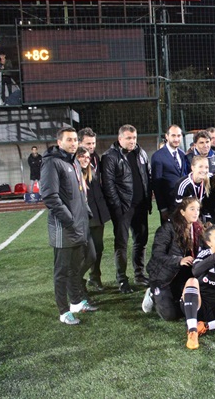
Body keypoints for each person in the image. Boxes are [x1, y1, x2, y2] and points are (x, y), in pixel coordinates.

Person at [40, 127, 97, 325]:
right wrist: (69, 220)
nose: (73, 143)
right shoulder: (52, 163)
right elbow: (50, 196)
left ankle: (76, 302)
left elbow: (80, 193)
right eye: (69, 140)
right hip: (64, 228)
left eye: (75, 140)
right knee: (62, 271)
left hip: (79, 225)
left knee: (75, 268)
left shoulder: (72, 162)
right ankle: (63, 312)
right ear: (59, 142)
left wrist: (86, 213)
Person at [101, 124, 152, 293]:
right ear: (120, 138)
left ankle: (139, 274)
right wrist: (118, 206)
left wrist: (147, 201)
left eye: (134, 137)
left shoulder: (141, 153)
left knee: (141, 241)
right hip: (123, 208)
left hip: (141, 206)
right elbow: (108, 184)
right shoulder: (110, 156)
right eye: (128, 138)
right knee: (121, 243)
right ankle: (122, 279)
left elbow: (147, 177)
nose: (132, 141)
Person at [142, 197, 204, 320]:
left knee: (197, 309)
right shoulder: (167, 228)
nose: (196, 212)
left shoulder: (198, 228)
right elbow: (157, 254)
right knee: (170, 315)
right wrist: (179, 260)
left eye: (197, 209)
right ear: (182, 212)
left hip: (185, 275)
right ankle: (153, 293)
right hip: (164, 277)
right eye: (192, 209)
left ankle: (176, 297)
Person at [77, 128, 110, 291]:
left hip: (97, 212)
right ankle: (77, 281)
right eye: (88, 143)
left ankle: (94, 277)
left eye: (93, 143)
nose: (91, 146)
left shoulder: (95, 158)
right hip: (83, 214)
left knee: (98, 248)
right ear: (79, 143)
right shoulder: (74, 162)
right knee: (86, 252)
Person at [151, 124, 190, 222]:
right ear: (167, 136)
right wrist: (162, 208)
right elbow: (156, 184)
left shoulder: (182, 154)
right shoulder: (158, 156)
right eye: (173, 135)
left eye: (179, 136)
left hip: (184, 204)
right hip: (169, 205)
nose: (176, 139)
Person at [173, 155, 211, 221]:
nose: (204, 170)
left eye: (206, 167)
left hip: (199, 217)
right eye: (200, 167)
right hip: (183, 219)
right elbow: (178, 207)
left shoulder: (208, 181)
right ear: (193, 168)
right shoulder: (183, 184)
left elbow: (206, 204)